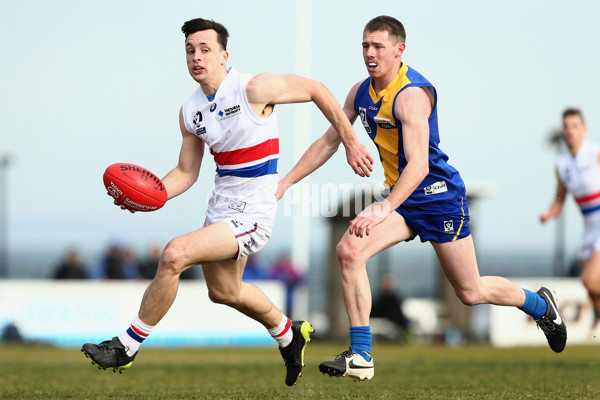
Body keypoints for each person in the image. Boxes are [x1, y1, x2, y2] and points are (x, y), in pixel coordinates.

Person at [81, 17, 373, 387]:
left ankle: (126, 346)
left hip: (255, 211)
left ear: (224, 55)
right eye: (190, 51)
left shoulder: (254, 87)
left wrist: (350, 140)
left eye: (205, 49)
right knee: (224, 292)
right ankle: (288, 333)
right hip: (221, 205)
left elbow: (316, 89)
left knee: (174, 254)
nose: (196, 57)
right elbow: (186, 172)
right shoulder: (190, 111)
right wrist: (151, 196)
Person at [277, 15, 567, 382]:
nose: (369, 53)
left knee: (470, 291)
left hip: (438, 197)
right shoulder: (359, 93)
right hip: (402, 200)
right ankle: (362, 354)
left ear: (399, 50)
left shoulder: (411, 95)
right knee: (349, 250)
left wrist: (381, 208)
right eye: (365, 45)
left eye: (378, 46)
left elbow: (416, 168)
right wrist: (286, 181)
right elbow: (328, 142)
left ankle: (541, 306)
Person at [541, 108, 600, 324]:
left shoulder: (595, 153)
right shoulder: (562, 164)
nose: (570, 130)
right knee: (590, 287)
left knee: (590, 280)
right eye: (566, 126)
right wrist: (549, 213)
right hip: (589, 226)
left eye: (575, 126)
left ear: (584, 129)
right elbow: (559, 200)